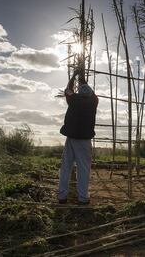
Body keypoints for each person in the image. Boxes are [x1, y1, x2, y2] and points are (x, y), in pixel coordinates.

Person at [58, 71, 98, 204]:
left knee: (66, 167)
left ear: (79, 94)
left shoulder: (74, 100)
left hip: (71, 139)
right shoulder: (93, 102)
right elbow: (88, 90)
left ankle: (62, 197)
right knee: (84, 169)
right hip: (84, 141)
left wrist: (74, 76)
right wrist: (82, 77)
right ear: (91, 94)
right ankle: (83, 198)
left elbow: (68, 90)